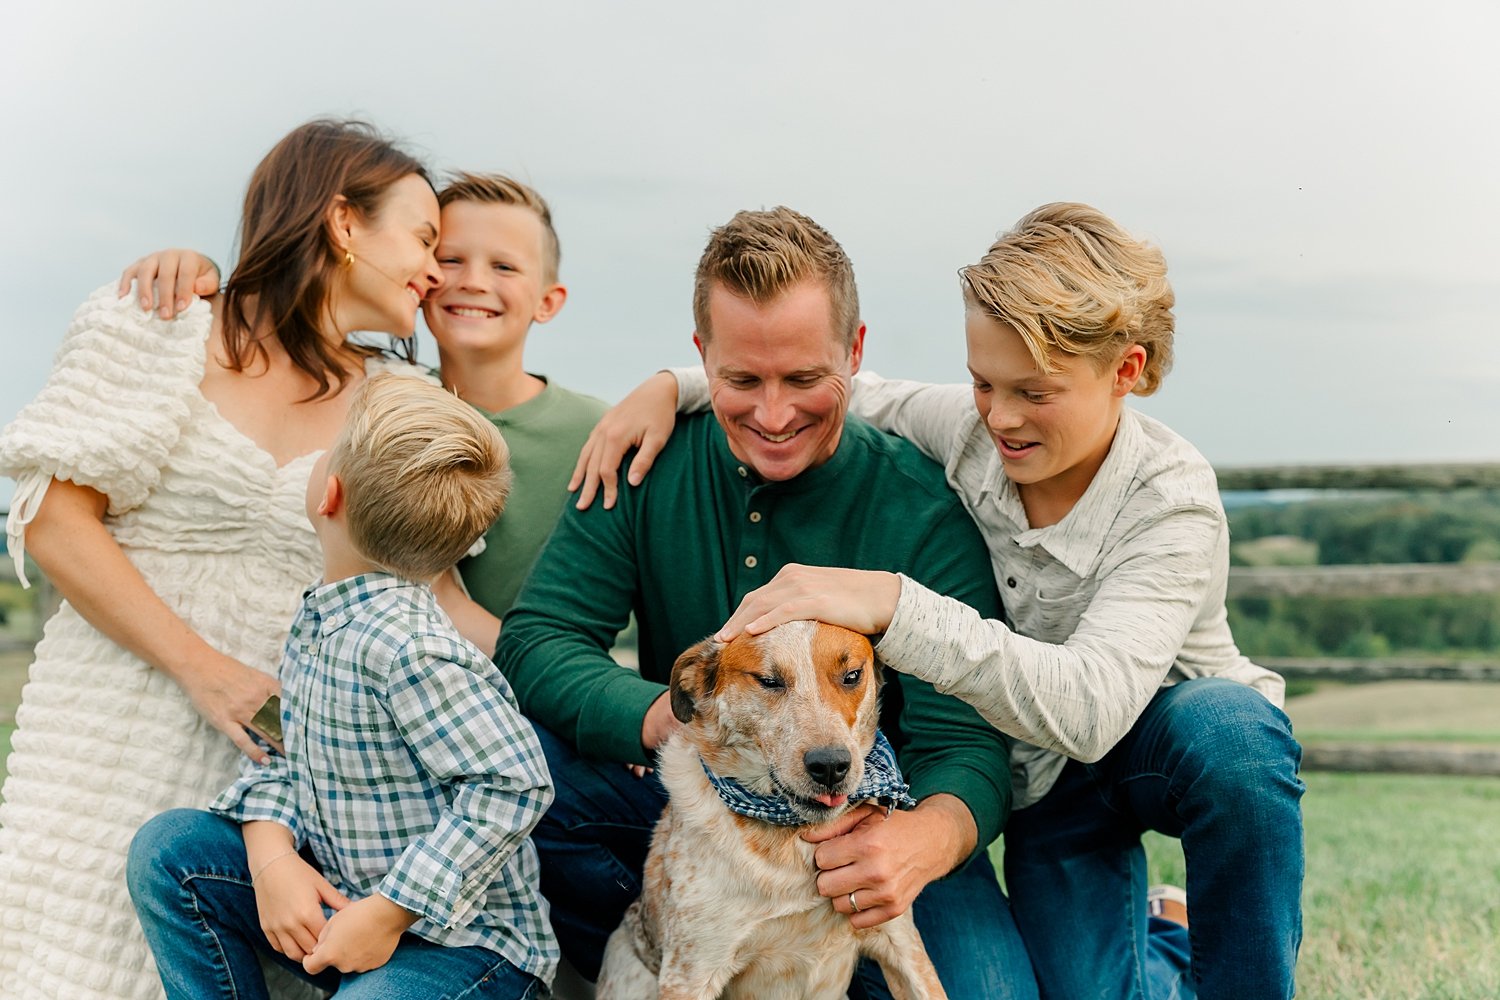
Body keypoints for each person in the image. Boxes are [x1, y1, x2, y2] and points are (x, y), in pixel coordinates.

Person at [574, 202, 1306, 999]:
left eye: (1034, 391)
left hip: (1142, 743)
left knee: (1233, 732)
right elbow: (828, 383)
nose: (1002, 416)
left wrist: (894, 605)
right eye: (983, 382)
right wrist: (672, 385)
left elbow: (1093, 710)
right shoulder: (970, 428)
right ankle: (1168, 937)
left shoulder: (1171, 501)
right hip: (1042, 789)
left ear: (1126, 372)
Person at [497, 207, 1039, 999]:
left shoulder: (921, 505)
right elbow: (540, 636)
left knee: (991, 993)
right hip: (693, 807)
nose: (774, 415)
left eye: (804, 379)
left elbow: (966, 735)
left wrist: (921, 839)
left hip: (869, 818)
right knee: (527, 772)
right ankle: (677, 948)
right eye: (743, 381)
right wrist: (661, 716)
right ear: (701, 358)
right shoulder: (643, 462)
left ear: (855, 353)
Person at [0, 119, 442, 1000]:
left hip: (283, 760)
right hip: (112, 723)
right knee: (72, 963)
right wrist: (203, 671)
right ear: (344, 223)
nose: (436, 269)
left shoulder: (403, 400)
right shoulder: (158, 324)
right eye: (424, 238)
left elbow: (428, 599)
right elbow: (53, 522)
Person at [127, 373, 556, 999]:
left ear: (328, 493)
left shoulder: (413, 649)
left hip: (465, 949)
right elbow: (288, 757)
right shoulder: (319, 622)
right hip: (343, 905)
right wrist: (272, 859)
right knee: (169, 852)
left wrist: (389, 912)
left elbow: (515, 784)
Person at [124, 171, 609, 650]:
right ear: (423, 276)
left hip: (532, 701)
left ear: (549, 301)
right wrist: (195, 266)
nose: (473, 281)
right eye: (449, 258)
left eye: (504, 267)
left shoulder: (599, 431)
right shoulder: (375, 402)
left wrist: (678, 383)